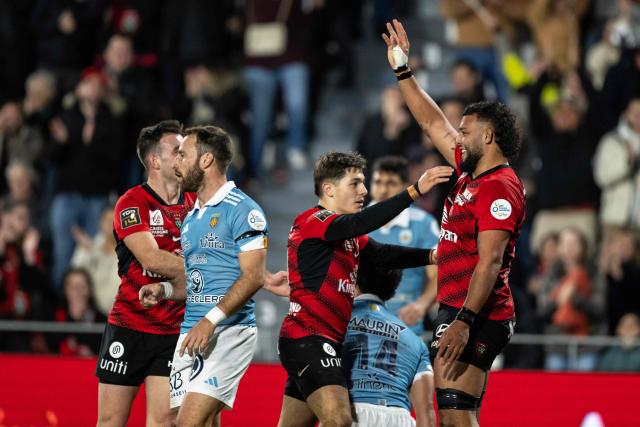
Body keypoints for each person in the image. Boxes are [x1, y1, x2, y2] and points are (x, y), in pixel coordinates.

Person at [382, 19, 525, 426]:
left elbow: (491, 261)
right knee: (456, 415)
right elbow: (430, 122)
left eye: (466, 131)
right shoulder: (471, 171)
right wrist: (402, 70)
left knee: (453, 415)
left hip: (475, 313)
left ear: (491, 137)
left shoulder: (499, 188)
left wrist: (463, 322)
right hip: (460, 307)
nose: (457, 138)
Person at [277, 150, 453, 427]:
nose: (365, 190)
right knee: (339, 420)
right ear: (329, 189)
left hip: (324, 341)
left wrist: (431, 256)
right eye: (355, 183)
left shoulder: (347, 238)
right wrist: (414, 191)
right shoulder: (313, 221)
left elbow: (383, 255)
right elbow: (362, 223)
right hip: (309, 338)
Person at [139, 125, 278, 427]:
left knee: (186, 423)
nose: (176, 164)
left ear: (206, 161)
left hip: (228, 331)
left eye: (183, 155)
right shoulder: (192, 217)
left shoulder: (243, 209)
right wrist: (163, 290)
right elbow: (196, 282)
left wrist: (210, 321)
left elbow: (253, 276)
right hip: (191, 333)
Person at [95, 120, 195, 427]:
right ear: (154, 161)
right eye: (177, 151)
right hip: (130, 324)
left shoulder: (197, 203)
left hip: (175, 332)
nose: (183, 158)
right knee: (111, 420)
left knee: (165, 421)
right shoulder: (132, 202)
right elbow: (151, 259)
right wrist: (201, 268)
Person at [343, 257, 436, 427]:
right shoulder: (415, 341)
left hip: (351, 414)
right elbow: (427, 414)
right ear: (394, 287)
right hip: (400, 418)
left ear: (353, 277)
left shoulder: (338, 322)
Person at [367, 156, 439, 337]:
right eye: (378, 182)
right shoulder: (356, 222)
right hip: (360, 326)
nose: (383, 189)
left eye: (391, 183)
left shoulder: (423, 224)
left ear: (405, 186)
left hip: (406, 326)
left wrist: (422, 305)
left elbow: (438, 274)